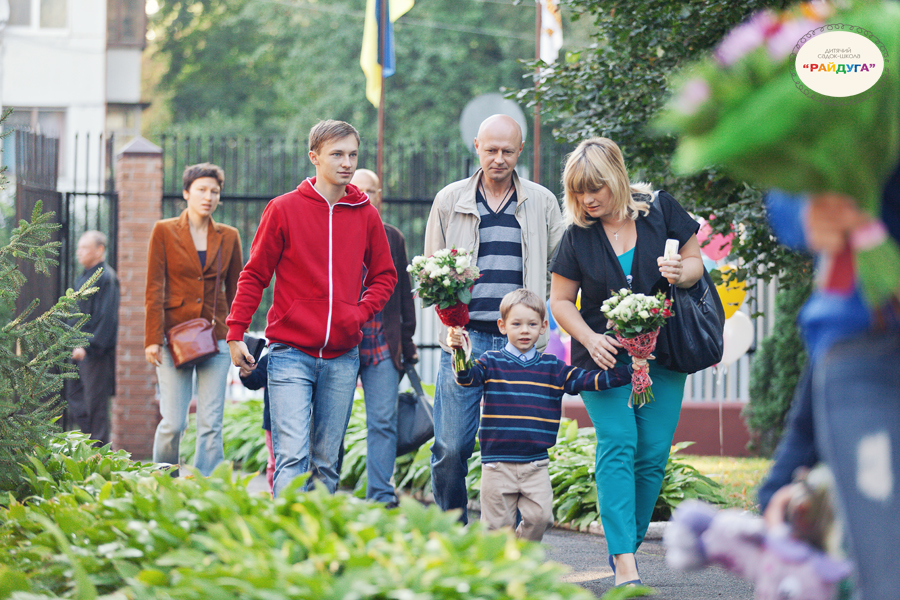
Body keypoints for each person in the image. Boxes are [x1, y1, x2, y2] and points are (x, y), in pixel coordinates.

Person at [548, 138, 703, 587]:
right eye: (578, 192)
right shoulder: (577, 235)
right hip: (604, 358)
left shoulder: (661, 210)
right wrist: (589, 337)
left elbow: (694, 262)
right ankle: (626, 564)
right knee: (618, 443)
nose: (587, 199)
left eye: (594, 188)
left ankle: (625, 549)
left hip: (665, 354)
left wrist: (681, 272)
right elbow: (560, 301)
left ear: (616, 175)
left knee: (652, 453)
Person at [225, 120, 397, 497]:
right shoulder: (284, 209)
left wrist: (359, 313)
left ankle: (317, 547)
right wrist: (235, 332)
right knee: (292, 457)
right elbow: (255, 274)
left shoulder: (366, 214)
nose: (347, 162)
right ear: (314, 157)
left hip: (342, 356)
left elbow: (385, 276)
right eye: (337, 154)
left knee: (326, 462)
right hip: (290, 353)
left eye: (352, 154)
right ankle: (286, 547)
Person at [758, 155, 900, 600]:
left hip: (861, 349)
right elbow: (790, 164)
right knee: (884, 577)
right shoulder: (855, 90)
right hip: (868, 341)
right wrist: (804, 210)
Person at [423, 113, 564, 523]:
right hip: (464, 342)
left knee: (515, 447)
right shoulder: (449, 201)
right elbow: (432, 271)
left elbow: (561, 266)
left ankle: (508, 541)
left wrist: (540, 323)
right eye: (491, 150)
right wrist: (448, 326)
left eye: (507, 151)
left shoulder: (542, 201)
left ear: (520, 151)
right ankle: (453, 529)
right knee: (450, 445)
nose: (499, 158)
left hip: (518, 347)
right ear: (477, 148)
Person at [447, 289, 633, 541]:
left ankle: (520, 556)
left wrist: (632, 371)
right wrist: (459, 352)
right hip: (496, 465)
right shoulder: (491, 362)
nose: (524, 330)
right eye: (517, 324)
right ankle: (502, 571)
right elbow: (466, 378)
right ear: (502, 326)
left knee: (541, 518)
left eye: (532, 324)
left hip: (536, 465)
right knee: (495, 530)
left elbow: (589, 380)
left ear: (543, 327)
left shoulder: (553, 368)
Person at [144, 163, 244, 476]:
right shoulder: (164, 230)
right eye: (201, 189)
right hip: (174, 337)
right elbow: (154, 287)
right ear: (187, 193)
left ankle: (206, 489)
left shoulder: (229, 236)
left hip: (215, 336)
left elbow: (237, 289)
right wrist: (151, 338)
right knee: (173, 422)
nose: (208, 196)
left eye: (214, 191)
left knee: (211, 422)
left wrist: (235, 336)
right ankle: (163, 481)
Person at [350, 168, 418, 506]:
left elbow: (405, 296)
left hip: (382, 343)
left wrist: (407, 344)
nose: (365, 195)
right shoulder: (335, 230)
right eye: (357, 189)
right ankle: (323, 493)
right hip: (341, 344)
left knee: (383, 420)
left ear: (379, 196)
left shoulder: (394, 237)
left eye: (371, 191)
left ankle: (380, 494)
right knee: (331, 422)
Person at [68, 230, 119, 446]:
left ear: (100, 250)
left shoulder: (106, 278)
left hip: (95, 354)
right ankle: (88, 450)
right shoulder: (85, 276)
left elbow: (107, 318)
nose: (79, 253)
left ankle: (100, 456)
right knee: (76, 402)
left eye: (84, 248)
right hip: (77, 352)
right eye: (78, 248)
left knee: (95, 407)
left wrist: (87, 346)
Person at [237, 352, 275, 495]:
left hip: (309, 422)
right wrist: (246, 373)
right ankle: (274, 495)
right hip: (273, 423)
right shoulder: (272, 357)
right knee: (275, 463)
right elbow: (255, 380)